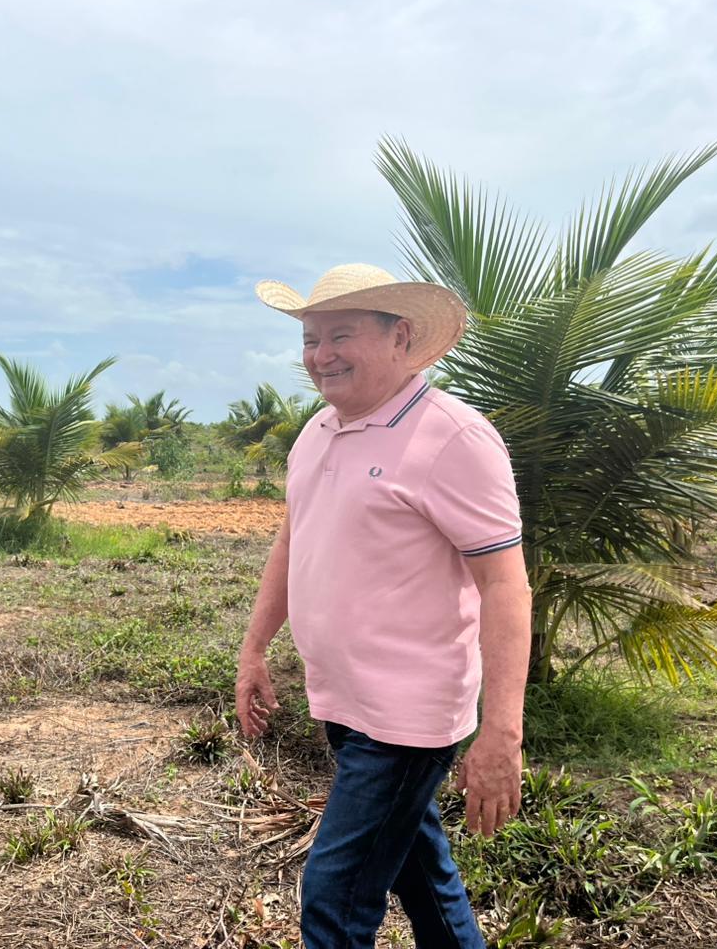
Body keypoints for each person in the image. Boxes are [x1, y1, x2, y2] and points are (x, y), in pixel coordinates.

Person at [234, 264, 532, 949]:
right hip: (341, 701)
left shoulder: (453, 438)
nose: (320, 356)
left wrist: (501, 733)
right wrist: (255, 649)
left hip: (407, 720)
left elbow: (504, 586)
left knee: (334, 902)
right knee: (423, 875)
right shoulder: (317, 432)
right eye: (310, 340)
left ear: (401, 337)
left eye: (340, 335)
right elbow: (293, 539)